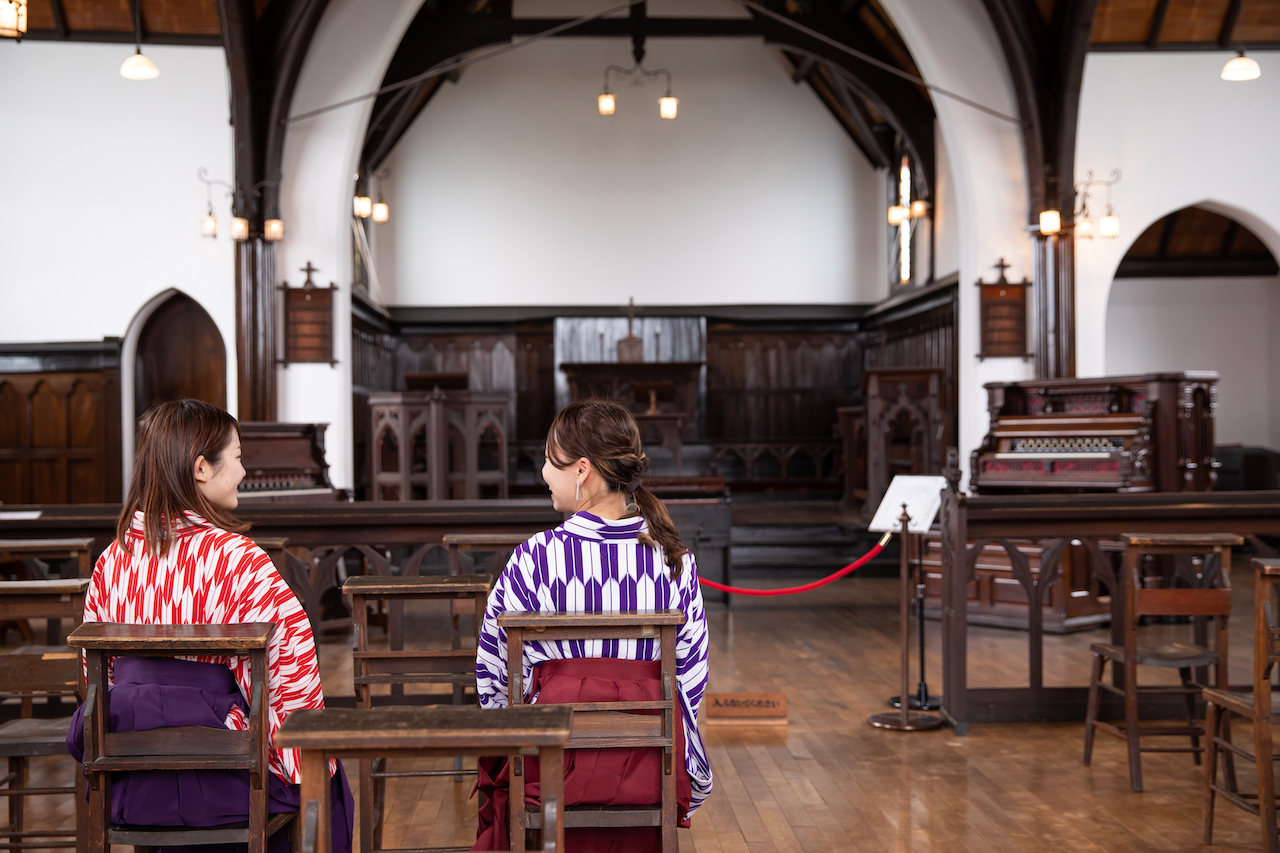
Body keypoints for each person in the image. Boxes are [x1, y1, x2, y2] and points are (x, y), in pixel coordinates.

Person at [66, 399, 353, 853]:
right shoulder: (239, 562)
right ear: (201, 467)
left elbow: (97, 681)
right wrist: (307, 764)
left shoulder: (110, 563)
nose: (243, 472)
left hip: (135, 785)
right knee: (326, 776)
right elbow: (293, 687)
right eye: (237, 458)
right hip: (229, 783)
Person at [473, 398, 713, 852]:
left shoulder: (534, 559)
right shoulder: (674, 561)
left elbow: (495, 679)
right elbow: (691, 681)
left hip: (549, 771)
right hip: (647, 768)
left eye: (549, 460)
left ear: (581, 469)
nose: (543, 471)